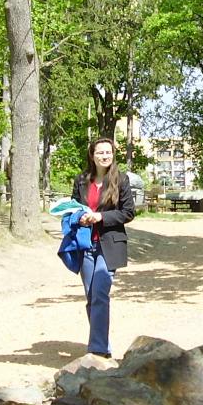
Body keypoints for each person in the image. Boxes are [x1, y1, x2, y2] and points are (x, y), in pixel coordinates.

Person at [70, 137, 135, 358]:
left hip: (110, 245)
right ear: (92, 155)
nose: (105, 156)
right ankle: (102, 346)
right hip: (85, 244)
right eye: (100, 152)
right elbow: (73, 208)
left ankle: (97, 351)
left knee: (100, 293)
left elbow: (128, 212)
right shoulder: (81, 180)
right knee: (92, 297)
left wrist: (100, 217)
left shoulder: (121, 180)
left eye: (108, 152)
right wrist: (79, 217)